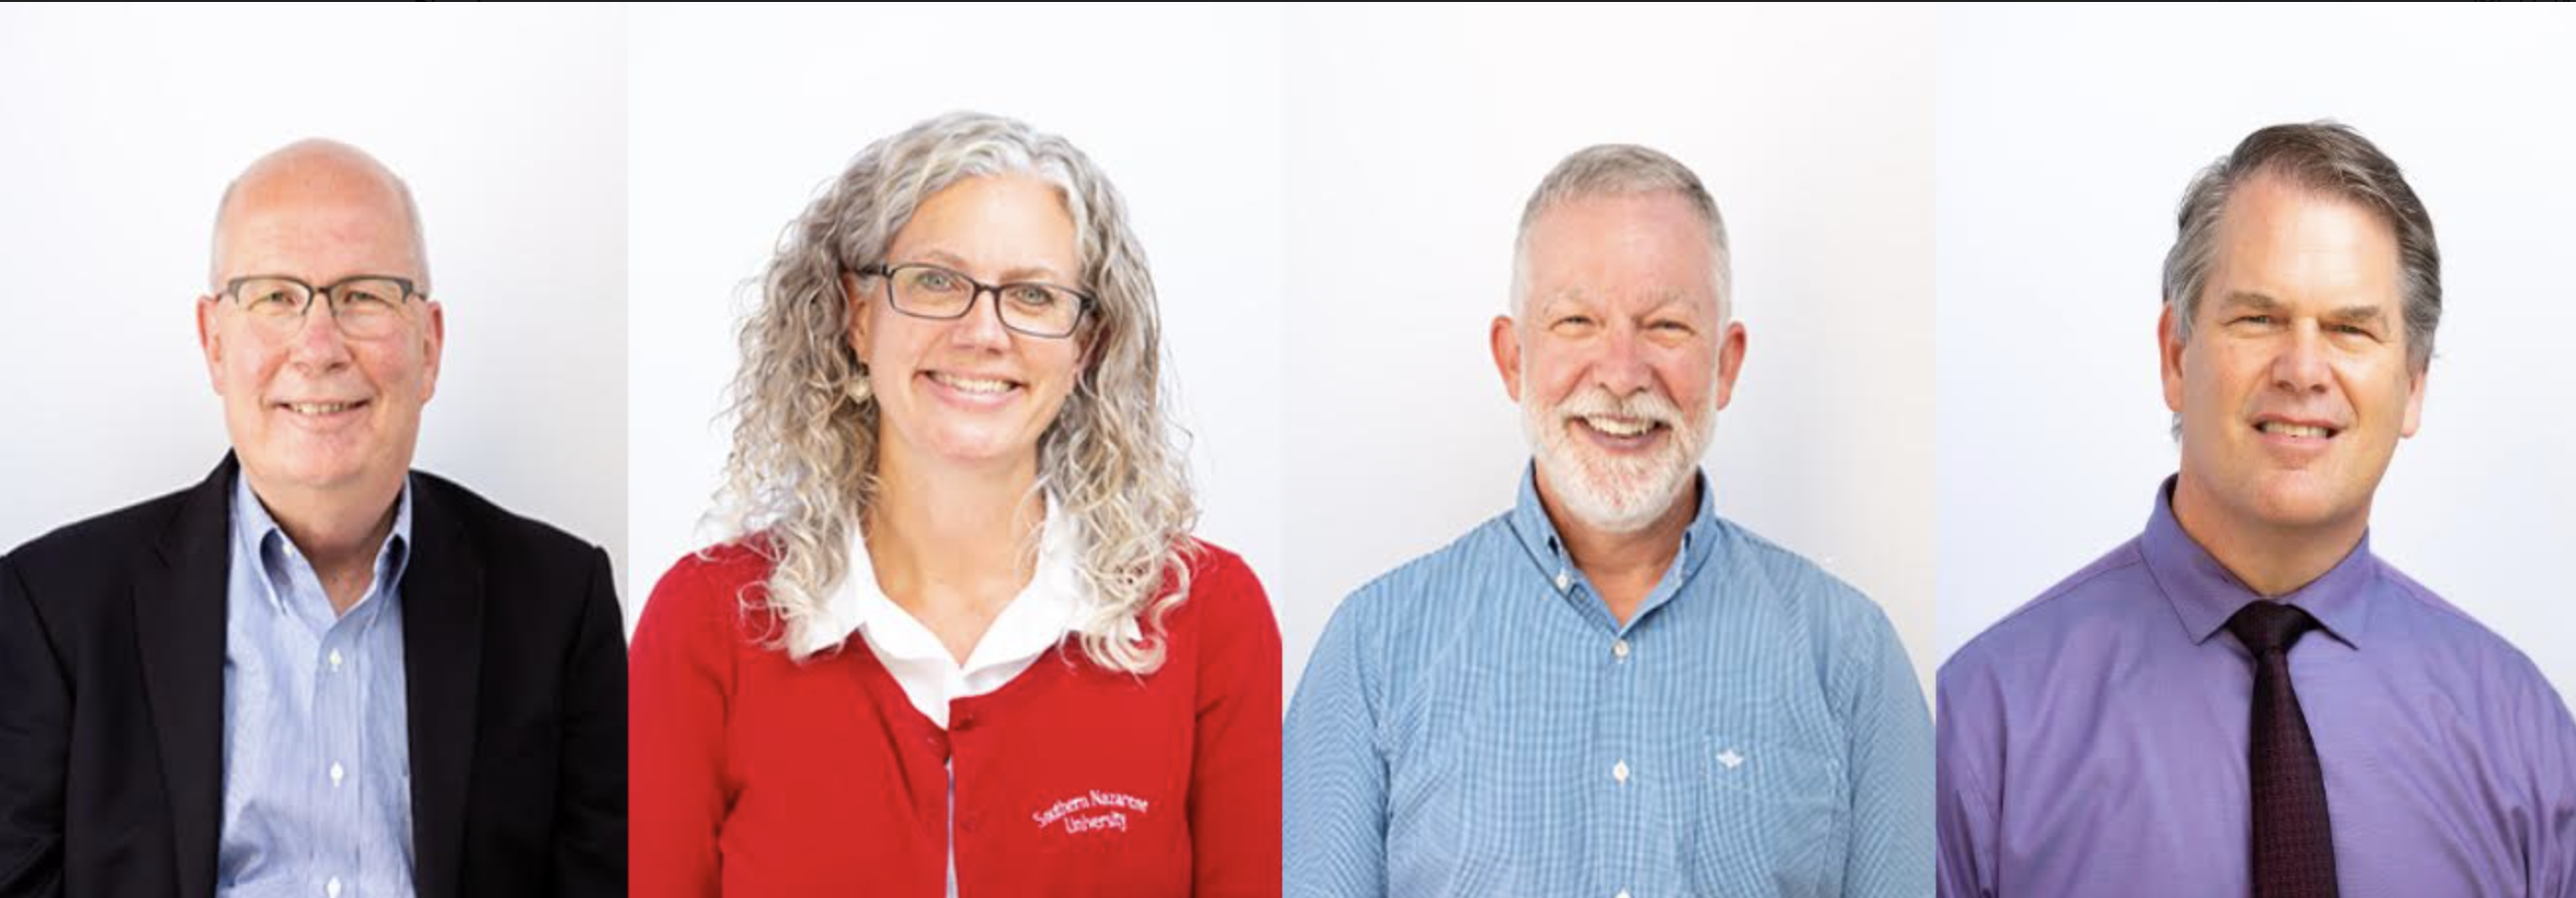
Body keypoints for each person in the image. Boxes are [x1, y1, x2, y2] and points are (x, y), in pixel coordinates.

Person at [626, 111, 1281, 897]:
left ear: (1088, 346)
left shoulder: (1205, 617)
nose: (983, 331)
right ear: (857, 315)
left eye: (1033, 295)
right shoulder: (707, 622)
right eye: (936, 281)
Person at [1935, 122, 2576, 897]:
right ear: (2176, 357)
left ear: (2412, 386)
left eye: (2349, 328)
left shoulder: (2523, 734)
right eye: (2259, 319)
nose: (2304, 369)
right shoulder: (1980, 726)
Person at [1284, 143, 1933, 898]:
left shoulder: (1852, 662)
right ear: (1511, 358)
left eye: (1664, 327)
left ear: (1726, 365)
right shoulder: (1372, 654)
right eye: (1577, 321)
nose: (1622, 374)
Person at [0, 139, 627, 898]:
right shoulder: (50, 609)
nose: (319, 345)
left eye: (363, 294)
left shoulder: (560, 601)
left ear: (429, 347)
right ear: (213, 343)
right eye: (274, 296)